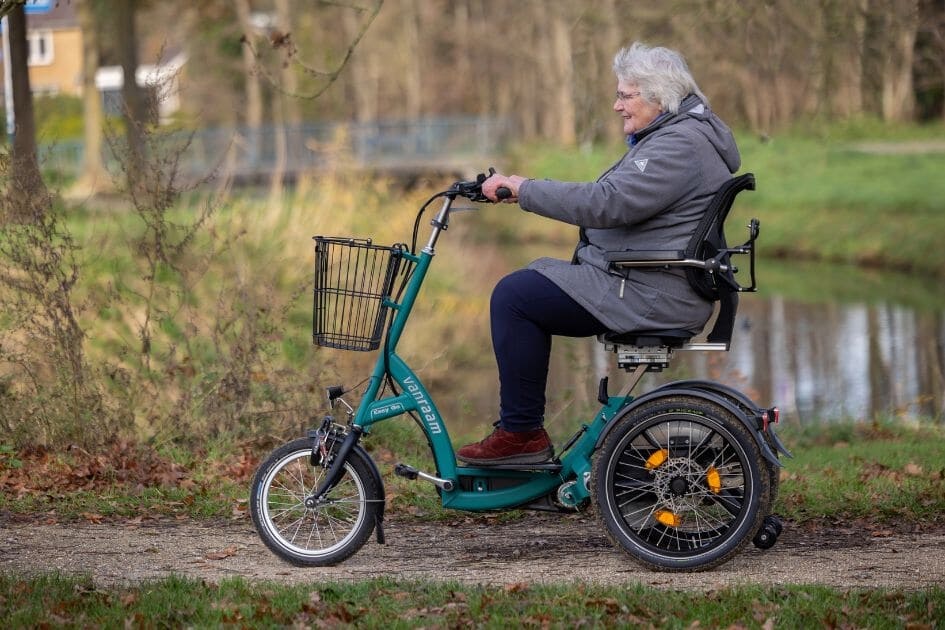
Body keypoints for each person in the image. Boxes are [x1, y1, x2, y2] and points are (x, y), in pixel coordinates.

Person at [456, 42, 742, 466]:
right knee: (526, 290)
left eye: (626, 95)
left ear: (659, 96)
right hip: (647, 282)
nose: (617, 105)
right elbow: (614, 200)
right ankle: (521, 433)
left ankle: (520, 436)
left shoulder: (677, 145)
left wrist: (524, 189)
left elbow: (607, 203)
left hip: (650, 292)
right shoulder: (679, 135)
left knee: (515, 297)